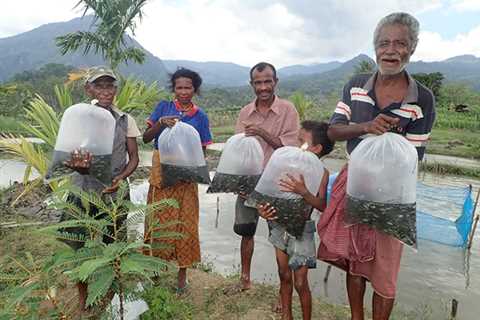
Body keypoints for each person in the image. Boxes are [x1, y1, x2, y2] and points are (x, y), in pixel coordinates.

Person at [317, 12, 436, 320]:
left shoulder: (422, 98)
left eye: (401, 43)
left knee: (384, 271)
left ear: (412, 48)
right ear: (375, 48)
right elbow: (333, 130)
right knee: (355, 260)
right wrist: (367, 126)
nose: (391, 50)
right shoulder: (356, 86)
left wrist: (389, 146)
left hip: (392, 196)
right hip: (355, 184)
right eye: (384, 43)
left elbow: (415, 155)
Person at [61, 66, 141, 312]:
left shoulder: (125, 120)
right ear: (89, 89)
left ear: (116, 90)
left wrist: (121, 178)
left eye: (110, 86)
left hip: (113, 194)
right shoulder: (79, 117)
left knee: (113, 244)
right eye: (100, 86)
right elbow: (67, 154)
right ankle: (84, 296)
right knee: (79, 245)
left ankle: (108, 294)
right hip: (82, 190)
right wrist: (74, 163)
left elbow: (134, 158)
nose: (106, 91)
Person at [143, 68, 212, 294]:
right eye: (179, 87)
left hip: (186, 175)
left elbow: (203, 151)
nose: (184, 91)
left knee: (185, 222)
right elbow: (146, 138)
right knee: (158, 219)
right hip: (161, 172)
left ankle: (182, 276)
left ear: (195, 89)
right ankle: (153, 271)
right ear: (174, 88)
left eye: (188, 87)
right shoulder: (163, 107)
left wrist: (189, 165)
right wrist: (161, 123)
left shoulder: (200, 117)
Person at [233, 62, 300, 293]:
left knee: (279, 237)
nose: (263, 87)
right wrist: (238, 182)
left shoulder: (288, 110)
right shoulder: (244, 112)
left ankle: (283, 291)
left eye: (267, 81)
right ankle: (245, 279)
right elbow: (238, 150)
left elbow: (289, 149)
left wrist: (262, 132)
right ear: (252, 84)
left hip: (276, 185)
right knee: (246, 232)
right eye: (258, 82)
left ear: (275, 82)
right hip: (248, 182)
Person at [257, 121, 333, 320]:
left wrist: (304, 192)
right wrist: (262, 210)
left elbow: (322, 205)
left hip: (303, 232)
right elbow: (269, 194)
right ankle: (286, 315)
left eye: (302, 141)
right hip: (279, 226)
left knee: (300, 282)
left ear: (316, 149)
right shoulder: (286, 165)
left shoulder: (322, 173)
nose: (297, 144)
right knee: (283, 274)